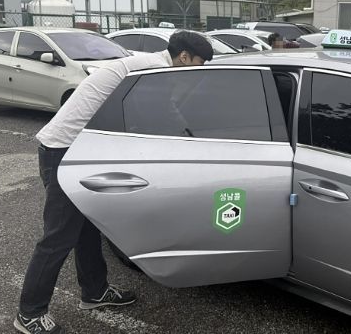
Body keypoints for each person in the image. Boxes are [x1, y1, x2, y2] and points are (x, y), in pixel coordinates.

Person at [15, 31, 214, 334]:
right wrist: (192, 145)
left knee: (87, 228)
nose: (199, 72)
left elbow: (165, 112)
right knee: (58, 238)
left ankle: (95, 292)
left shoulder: (152, 66)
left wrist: (188, 135)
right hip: (65, 151)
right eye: (199, 64)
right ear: (184, 57)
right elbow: (154, 120)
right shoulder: (151, 72)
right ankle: (29, 314)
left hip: (80, 149)